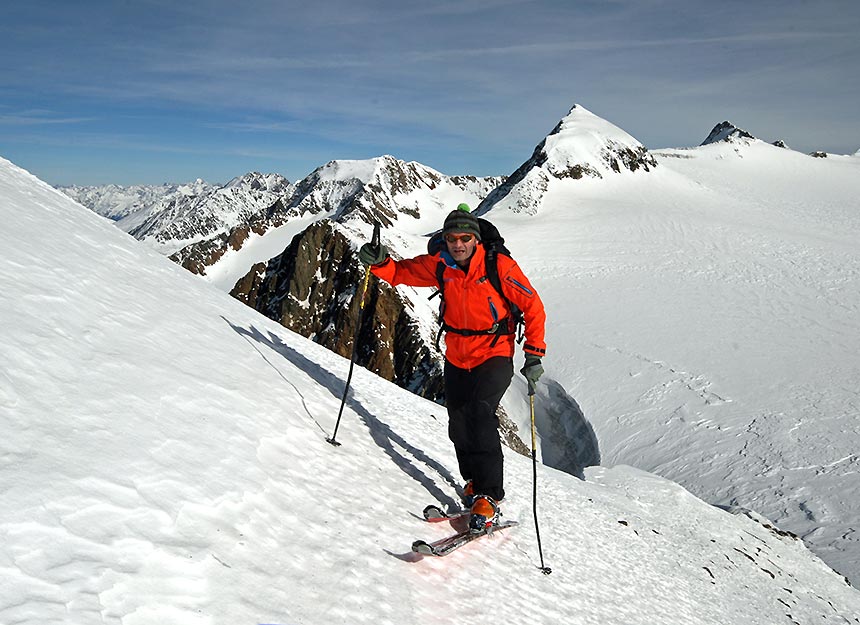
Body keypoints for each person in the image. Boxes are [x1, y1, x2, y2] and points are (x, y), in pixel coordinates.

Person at [359, 203, 546, 531]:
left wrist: (533, 354)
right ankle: (473, 482)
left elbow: (533, 306)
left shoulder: (498, 265)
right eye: (450, 238)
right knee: (458, 421)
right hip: (457, 354)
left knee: (480, 412)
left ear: (475, 239)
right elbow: (401, 273)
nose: (457, 244)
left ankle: (490, 495)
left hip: (494, 352)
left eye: (463, 238)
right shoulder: (440, 264)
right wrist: (379, 263)